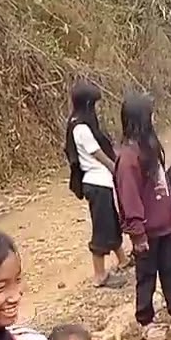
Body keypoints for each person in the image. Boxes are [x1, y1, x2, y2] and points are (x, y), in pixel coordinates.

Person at [115, 92, 171, 340]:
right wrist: (137, 232)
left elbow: (163, 187)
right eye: (151, 113)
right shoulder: (128, 158)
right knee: (146, 276)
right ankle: (146, 322)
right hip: (146, 232)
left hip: (165, 227)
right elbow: (129, 196)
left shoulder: (152, 149)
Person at [64, 80, 128, 289]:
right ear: (89, 103)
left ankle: (123, 259)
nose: (97, 108)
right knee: (102, 228)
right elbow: (97, 153)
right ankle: (99, 276)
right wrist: (116, 168)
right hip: (97, 182)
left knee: (112, 221)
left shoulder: (76, 121)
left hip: (100, 183)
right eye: (96, 104)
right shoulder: (82, 126)